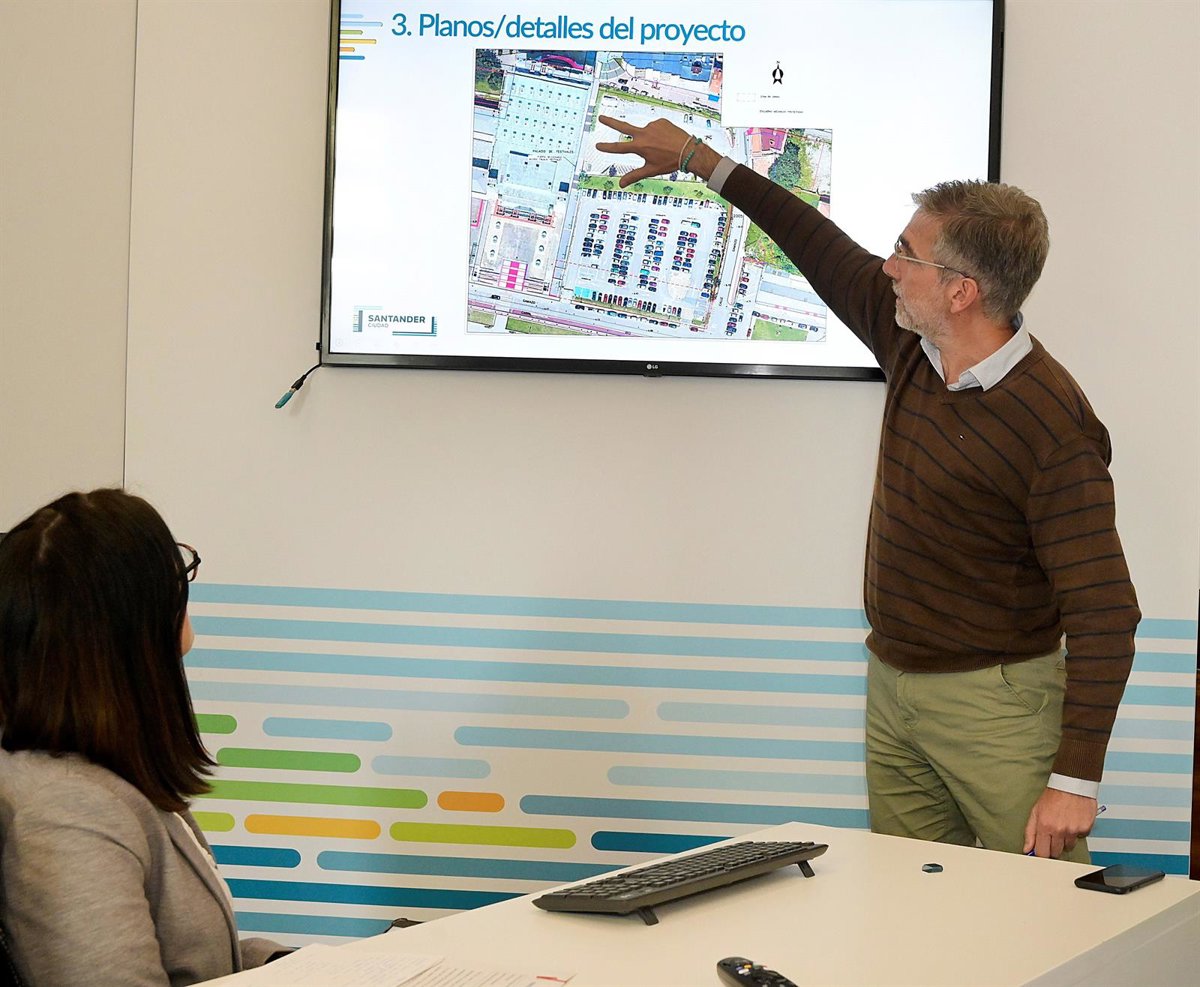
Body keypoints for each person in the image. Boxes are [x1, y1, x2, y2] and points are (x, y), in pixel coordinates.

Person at [596, 116, 1141, 861]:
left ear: (960, 291)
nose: (888, 267)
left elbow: (1106, 609)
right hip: (892, 687)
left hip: (997, 706)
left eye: (907, 254)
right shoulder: (911, 343)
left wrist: (1075, 778)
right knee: (913, 895)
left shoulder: (1050, 424)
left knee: (1043, 907)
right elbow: (816, 243)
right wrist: (698, 158)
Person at [0, 489, 285, 986]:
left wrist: (283, 964)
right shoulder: (68, 809)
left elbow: (186, 957)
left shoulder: (105, 775)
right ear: (132, 617)